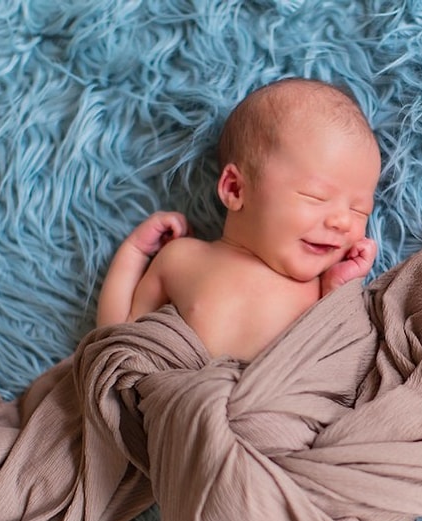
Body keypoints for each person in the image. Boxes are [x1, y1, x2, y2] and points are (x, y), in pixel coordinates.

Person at [95, 78, 382, 361]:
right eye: (316, 196)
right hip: (184, 398)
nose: (343, 222)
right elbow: (119, 342)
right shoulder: (183, 258)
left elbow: (343, 361)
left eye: (360, 211)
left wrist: (337, 293)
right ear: (235, 188)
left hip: (276, 401)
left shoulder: (320, 292)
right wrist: (135, 252)